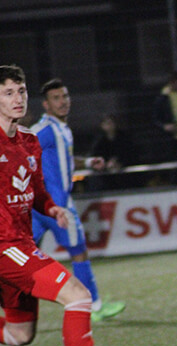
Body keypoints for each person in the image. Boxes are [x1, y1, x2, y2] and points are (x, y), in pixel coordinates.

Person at [0, 65, 129, 346]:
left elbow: (38, 189)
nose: (18, 98)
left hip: (21, 241)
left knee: (19, 334)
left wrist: (52, 207)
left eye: (22, 91)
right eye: (9, 93)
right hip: (4, 247)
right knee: (78, 296)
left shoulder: (28, 141)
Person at [30, 79, 126, 323]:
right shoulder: (46, 129)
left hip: (38, 206)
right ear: (46, 104)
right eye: (56, 98)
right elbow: (20, 146)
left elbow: (64, 160)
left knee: (15, 256)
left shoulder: (62, 129)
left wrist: (88, 162)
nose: (62, 102)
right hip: (57, 205)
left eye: (65, 97)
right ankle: (93, 306)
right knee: (79, 252)